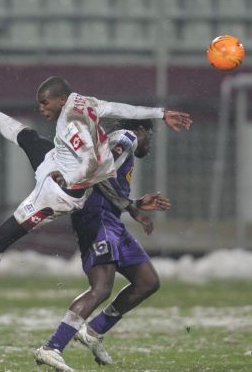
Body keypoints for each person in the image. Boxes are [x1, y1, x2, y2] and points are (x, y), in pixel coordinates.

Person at [0, 75, 192, 366]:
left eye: (44, 102)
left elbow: (112, 116)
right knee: (23, 149)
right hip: (54, 194)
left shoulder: (81, 109)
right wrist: (121, 198)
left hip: (60, 174)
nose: (40, 107)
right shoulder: (89, 119)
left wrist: (160, 114)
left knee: (25, 140)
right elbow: (93, 159)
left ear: (63, 99)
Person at [41, 119, 170, 372]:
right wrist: (132, 208)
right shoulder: (126, 138)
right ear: (141, 130)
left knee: (147, 281)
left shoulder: (115, 144)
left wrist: (134, 202)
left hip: (109, 220)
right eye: (150, 137)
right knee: (100, 288)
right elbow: (97, 170)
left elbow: (104, 181)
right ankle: (51, 347)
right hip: (96, 219)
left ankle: (94, 330)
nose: (149, 145)